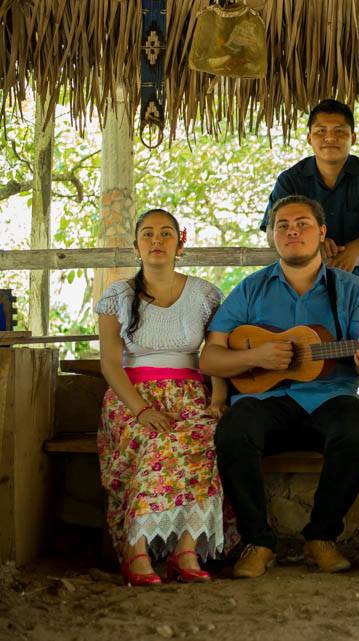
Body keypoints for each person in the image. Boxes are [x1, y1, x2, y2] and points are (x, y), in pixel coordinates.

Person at [202, 195, 359, 579]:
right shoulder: (249, 289)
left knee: (356, 431)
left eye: (301, 224)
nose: (291, 231)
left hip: (330, 398)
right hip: (264, 400)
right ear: (271, 236)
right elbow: (210, 357)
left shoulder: (350, 289)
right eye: (281, 225)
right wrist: (256, 358)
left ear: (321, 232)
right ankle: (258, 541)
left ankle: (321, 537)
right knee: (233, 431)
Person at [97, 208, 227, 586]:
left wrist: (217, 398)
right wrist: (141, 411)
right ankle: (135, 551)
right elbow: (109, 363)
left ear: (179, 243)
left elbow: (215, 353)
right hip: (132, 396)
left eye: (166, 233)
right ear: (136, 245)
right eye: (148, 234)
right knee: (157, 441)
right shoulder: (117, 296)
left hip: (190, 393)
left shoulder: (205, 294)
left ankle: (185, 550)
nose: (157, 241)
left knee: (206, 438)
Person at [260, 99, 359, 302]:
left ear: (353, 137)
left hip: (358, 273)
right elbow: (273, 234)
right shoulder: (290, 180)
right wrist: (315, 243)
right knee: (306, 333)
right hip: (302, 277)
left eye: (339, 131)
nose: (330, 138)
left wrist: (354, 250)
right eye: (321, 131)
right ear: (309, 138)